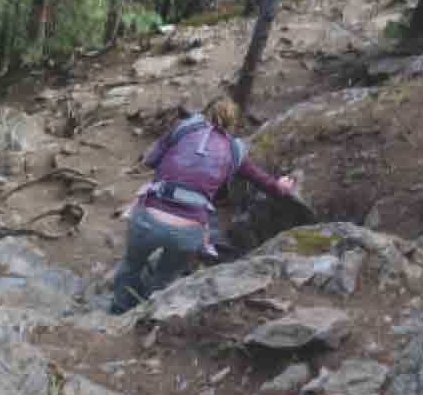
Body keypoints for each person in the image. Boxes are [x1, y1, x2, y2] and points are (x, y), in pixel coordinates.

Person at [110, 99, 295, 314]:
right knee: (165, 278)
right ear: (233, 123)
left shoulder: (184, 128)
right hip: (188, 230)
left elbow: (150, 160)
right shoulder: (235, 150)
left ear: (205, 114)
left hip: (148, 217)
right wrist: (280, 186)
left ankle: (118, 313)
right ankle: (146, 316)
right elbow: (262, 181)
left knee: (131, 266)